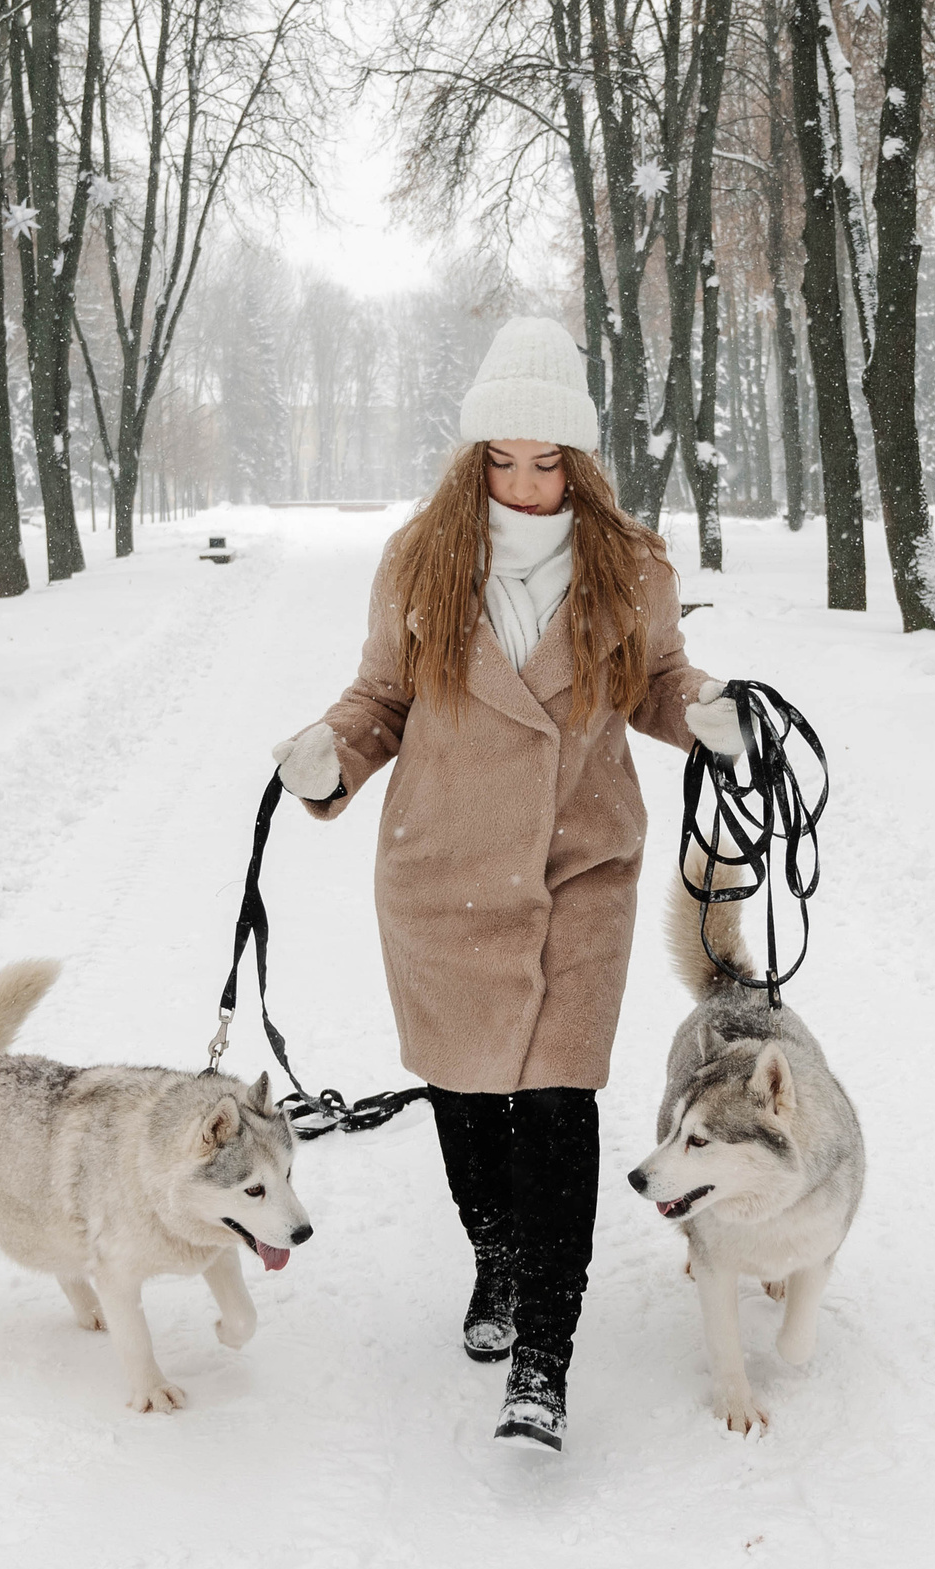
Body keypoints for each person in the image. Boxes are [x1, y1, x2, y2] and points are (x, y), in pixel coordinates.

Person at [269, 318, 747, 1452]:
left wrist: (708, 713)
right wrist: (331, 754)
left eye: (547, 462)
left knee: (560, 1101)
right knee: (470, 1099)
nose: (525, 485)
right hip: (440, 871)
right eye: (503, 459)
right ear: (473, 454)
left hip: (581, 864)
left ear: (578, 459)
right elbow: (380, 698)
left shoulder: (632, 564)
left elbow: (658, 679)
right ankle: (495, 1253)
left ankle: (543, 1351)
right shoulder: (421, 559)